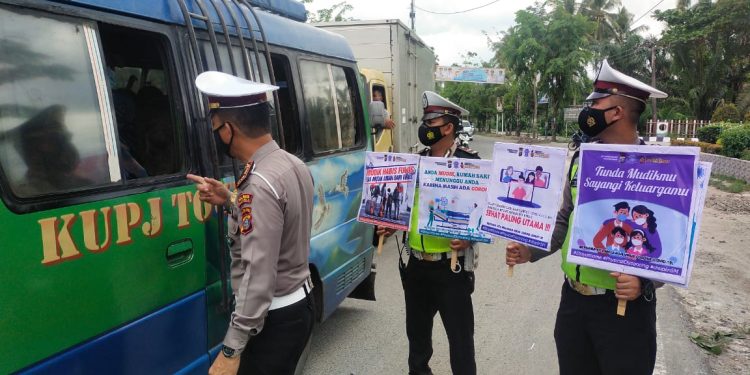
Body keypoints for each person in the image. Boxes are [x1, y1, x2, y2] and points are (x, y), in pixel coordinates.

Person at [506, 60, 666, 375]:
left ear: (617, 112)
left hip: (624, 310)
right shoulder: (583, 157)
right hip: (574, 303)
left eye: (595, 104)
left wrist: (645, 281)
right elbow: (565, 218)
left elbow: (672, 244)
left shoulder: (659, 167)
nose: (587, 109)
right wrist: (530, 250)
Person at [187, 71, 315, 375]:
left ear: (229, 129)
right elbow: (276, 222)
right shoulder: (291, 163)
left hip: (275, 318)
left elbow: (259, 274)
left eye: (216, 128)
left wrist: (231, 349)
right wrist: (230, 200)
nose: (216, 136)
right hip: (300, 304)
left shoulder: (258, 183)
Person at [378, 91, 479, 375]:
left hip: (452, 267)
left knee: (461, 344)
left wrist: (469, 238)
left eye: (431, 121)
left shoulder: (469, 163)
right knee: (417, 344)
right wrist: (391, 222)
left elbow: (484, 215)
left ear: (448, 127)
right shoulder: (415, 159)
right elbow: (407, 205)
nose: (425, 126)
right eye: (425, 120)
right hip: (416, 266)